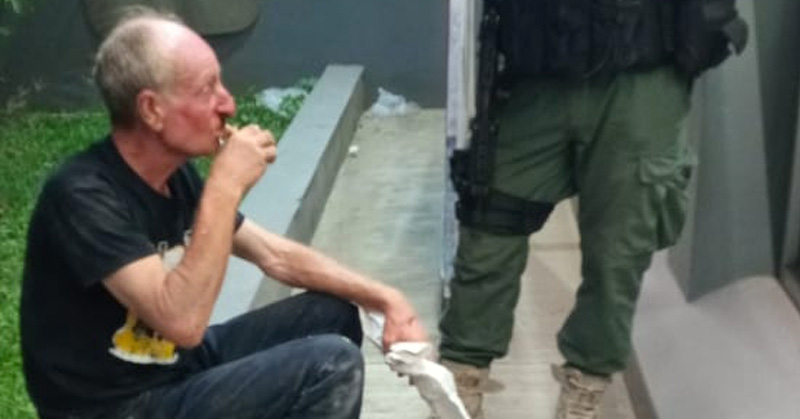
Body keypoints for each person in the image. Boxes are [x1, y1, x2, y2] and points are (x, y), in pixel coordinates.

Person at [20, 10, 427, 419]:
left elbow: (274, 255)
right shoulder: (83, 196)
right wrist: (225, 185)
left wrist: (384, 297)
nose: (228, 104)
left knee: (331, 314)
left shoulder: (172, 176)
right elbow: (182, 322)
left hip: (173, 367)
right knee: (330, 366)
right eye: (206, 90)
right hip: (116, 407)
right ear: (152, 110)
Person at [439, 0, 748, 418]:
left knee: (619, 253)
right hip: (535, 75)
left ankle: (585, 389)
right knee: (488, 228)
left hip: (641, 76)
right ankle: (460, 386)